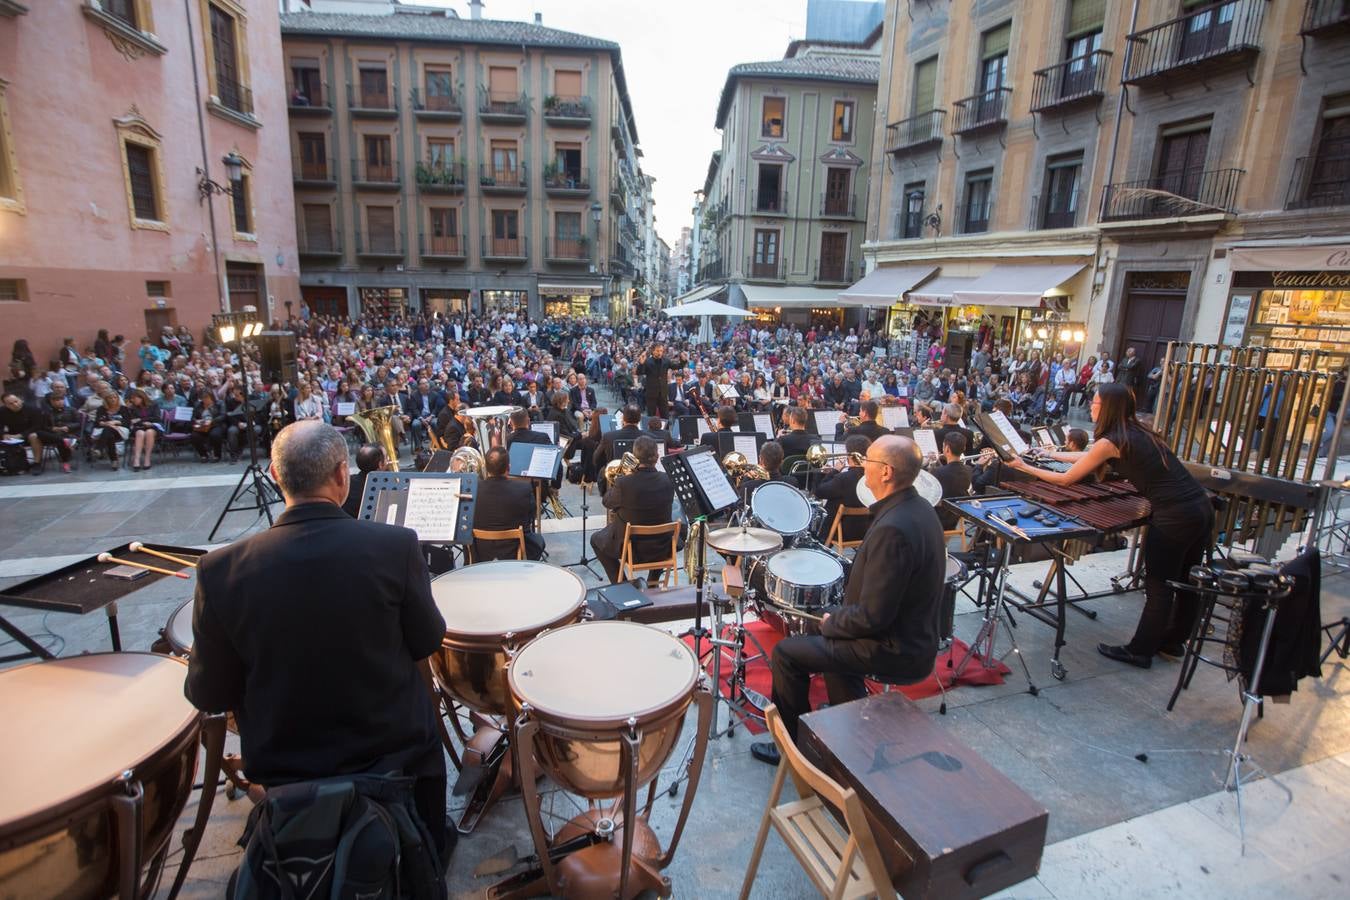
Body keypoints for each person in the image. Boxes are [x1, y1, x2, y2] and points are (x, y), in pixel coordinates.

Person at [184, 421, 451, 862]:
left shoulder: (219, 570)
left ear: (274, 475)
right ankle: (427, 852)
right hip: (389, 754)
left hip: (286, 766)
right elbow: (428, 639)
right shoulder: (395, 546)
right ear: (343, 476)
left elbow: (207, 692)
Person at [753, 435, 946, 764]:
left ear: (885, 472)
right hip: (907, 635)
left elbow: (872, 617)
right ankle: (850, 722)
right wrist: (836, 620)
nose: (860, 465)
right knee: (826, 633)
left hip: (894, 647)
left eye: (866, 460)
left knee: (787, 653)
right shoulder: (919, 509)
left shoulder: (894, 529)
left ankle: (793, 748)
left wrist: (834, 622)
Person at [1005, 382, 1214, 668]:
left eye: (1094, 402)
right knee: (1186, 581)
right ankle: (1174, 642)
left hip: (1174, 516)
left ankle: (1140, 651)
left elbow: (1068, 479)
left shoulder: (1113, 439)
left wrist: (1024, 467)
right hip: (1199, 507)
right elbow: (1090, 457)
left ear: (1108, 407)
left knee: (1159, 585)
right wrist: (1049, 455)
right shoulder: (1138, 432)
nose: (1090, 406)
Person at [591, 436, 677, 584]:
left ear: (635, 457)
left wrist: (620, 479)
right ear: (657, 457)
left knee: (595, 540)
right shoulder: (668, 479)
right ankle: (653, 582)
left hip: (632, 550)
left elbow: (607, 502)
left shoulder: (624, 482)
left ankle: (622, 584)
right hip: (663, 547)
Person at [473, 446, 545, 560]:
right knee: (539, 541)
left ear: (486, 468)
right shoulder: (523, 489)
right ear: (509, 468)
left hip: (481, 553)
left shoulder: (473, 490)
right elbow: (532, 515)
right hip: (514, 552)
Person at [812, 434, 872, 543]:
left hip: (842, 532)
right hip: (867, 531)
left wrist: (833, 472)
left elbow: (819, 492)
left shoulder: (843, 479)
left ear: (850, 456)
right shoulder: (872, 477)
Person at [593, 404, 644, 493]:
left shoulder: (608, 436)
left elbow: (596, 458)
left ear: (623, 418)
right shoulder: (648, 437)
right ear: (640, 419)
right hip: (640, 483)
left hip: (613, 484)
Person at [932, 432, 972, 532]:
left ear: (947, 449)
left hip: (939, 519)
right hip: (956, 516)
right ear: (963, 449)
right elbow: (950, 473)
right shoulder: (969, 469)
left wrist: (931, 466)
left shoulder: (938, 472)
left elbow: (931, 496)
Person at [342, 443, 386, 518]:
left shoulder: (347, 482)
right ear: (380, 465)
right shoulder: (384, 488)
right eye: (386, 458)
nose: (388, 461)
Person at [637, 343, 674, 419]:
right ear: (653, 351)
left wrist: (683, 360)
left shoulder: (666, 361)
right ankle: (651, 430)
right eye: (657, 350)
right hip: (651, 393)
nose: (660, 352)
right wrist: (641, 364)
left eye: (661, 350)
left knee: (665, 416)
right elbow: (639, 372)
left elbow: (676, 366)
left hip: (663, 393)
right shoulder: (647, 361)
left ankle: (666, 431)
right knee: (651, 415)